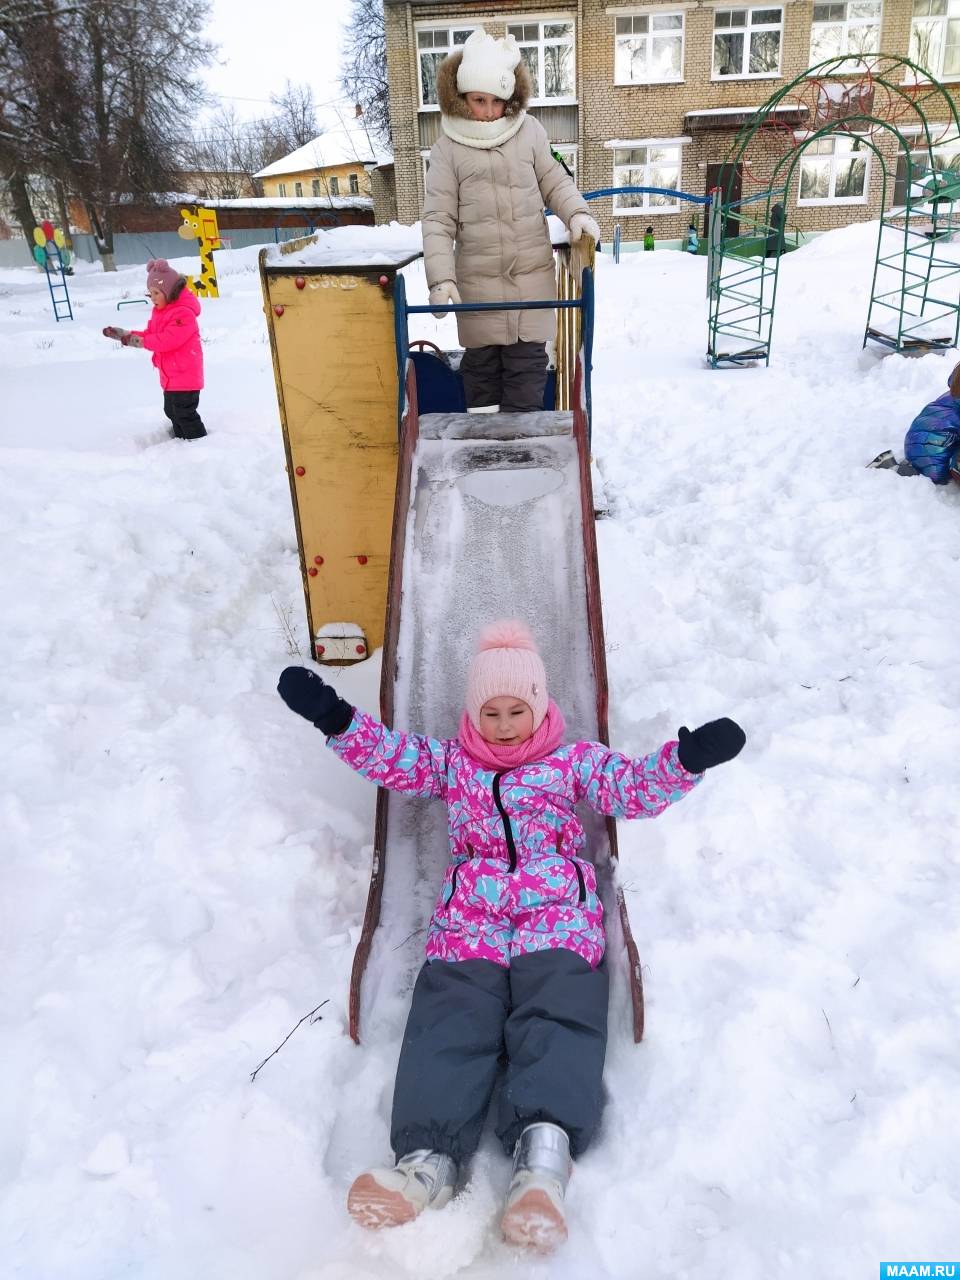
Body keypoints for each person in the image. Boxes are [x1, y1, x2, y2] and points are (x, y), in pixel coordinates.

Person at [277, 620, 746, 1251]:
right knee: (449, 1021)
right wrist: (333, 716)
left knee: (557, 1017)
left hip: (558, 918)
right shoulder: (452, 763)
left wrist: (686, 760)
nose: (503, 724)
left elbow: (632, 789)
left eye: (516, 710)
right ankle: (426, 1163)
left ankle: (542, 1164)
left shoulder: (574, 761)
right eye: (490, 712)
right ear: (473, 713)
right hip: (470, 923)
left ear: (540, 705)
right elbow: (389, 757)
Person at [422, 28, 600, 415]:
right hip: (478, 294)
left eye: (495, 102)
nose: (487, 111)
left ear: (510, 98)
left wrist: (577, 213)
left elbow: (555, 180)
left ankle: (522, 457)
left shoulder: (530, 133)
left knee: (526, 386)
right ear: (462, 98)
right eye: (478, 100)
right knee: (482, 389)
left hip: (530, 286)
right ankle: (486, 464)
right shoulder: (447, 149)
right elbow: (438, 219)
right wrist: (441, 279)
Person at [102, 258, 206, 440]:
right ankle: (182, 443)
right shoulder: (161, 312)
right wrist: (126, 335)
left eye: (157, 292)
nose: (153, 297)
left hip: (184, 375)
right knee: (171, 412)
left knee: (184, 414)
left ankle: (199, 444)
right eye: (150, 293)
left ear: (170, 291)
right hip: (170, 376)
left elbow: (167, 341)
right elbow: (150, 333)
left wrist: (138, 341)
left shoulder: (183, 313)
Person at [867, 361, 960, 482]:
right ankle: (898, 471)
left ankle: (903, 469)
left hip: (923, 445)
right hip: (932, 456)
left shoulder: (954, 393)